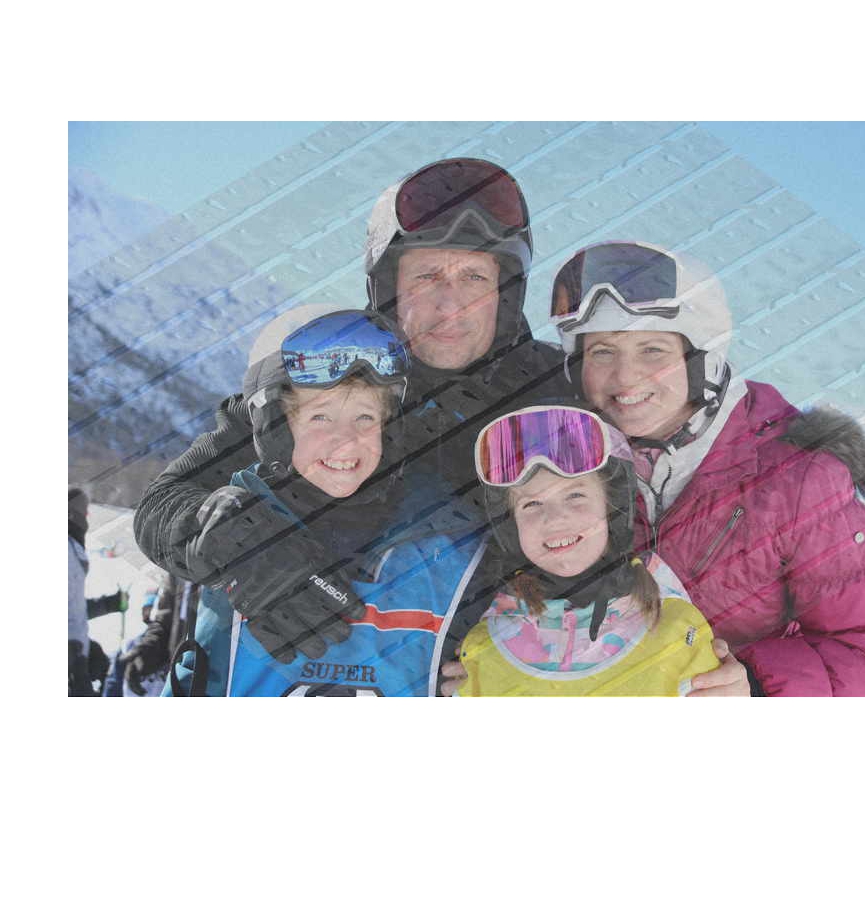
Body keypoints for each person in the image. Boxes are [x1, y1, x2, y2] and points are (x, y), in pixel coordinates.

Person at [133, 158, 569, 665]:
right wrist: (244, 546)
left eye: (474, 277)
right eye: (427, 276)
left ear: (506, 293)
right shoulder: (324, 368)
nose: (450, 306)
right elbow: (163, 503)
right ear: (387, 290)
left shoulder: (558, 392)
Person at [534, 240, 865, 696]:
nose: (625, 377)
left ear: (701, 359)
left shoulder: (799, 481)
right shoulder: (559, 464)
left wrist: (754, 688)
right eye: (602, 352)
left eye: (652, 350)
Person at [163, 306, 488, 696]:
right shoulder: (233, 532)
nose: (346, 440)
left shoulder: (445, 539)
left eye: (365, 418)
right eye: (320, 417)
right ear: (277, 427)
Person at [457, 406, 719, 695]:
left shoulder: (675, 630)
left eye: (575, 495)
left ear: (612, 508)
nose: (555, 519)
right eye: (531, 504)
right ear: (511, 526)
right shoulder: (487, 645)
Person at [68, 487, 128, 696]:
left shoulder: (73, 548)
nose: (87, 518)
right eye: (84, 512)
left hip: (76, 653)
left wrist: (108, 604)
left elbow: (72, 607)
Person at [103, 592, 168, 697]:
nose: (151, 614)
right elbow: (113, 685)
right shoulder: (129, 646)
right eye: (147, 609)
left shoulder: (175, 645)